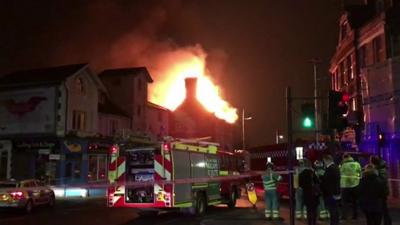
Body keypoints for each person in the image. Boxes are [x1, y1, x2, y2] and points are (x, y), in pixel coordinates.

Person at [370, 156, 392, 225]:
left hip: (382, 192)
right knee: (382, 209)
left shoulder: (381, 170)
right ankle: (386, 222)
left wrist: (374, 177)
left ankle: (387, 222)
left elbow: (382, 181)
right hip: (381, 192)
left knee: (382, 209)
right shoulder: (379, 168)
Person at [339, 153, 361, 220]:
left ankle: (344, 216)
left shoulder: (343, 165)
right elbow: (360, 172)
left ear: (344, 158)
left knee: (344, 202)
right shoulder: (357, 164)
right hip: (355, 184)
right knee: (355, 201)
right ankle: (355, 215)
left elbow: (339, 172)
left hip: (345, 185)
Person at [320, 154, 341, 225]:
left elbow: (328, 182)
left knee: (333, 209)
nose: (324, 163)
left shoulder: (330, 169)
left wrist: (322, 179)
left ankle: (334, 223)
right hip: (336, 191)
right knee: (335, 209)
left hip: (331, 193)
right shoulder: (336, 167)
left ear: (327, 160)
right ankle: (335, 222)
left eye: (324, 161)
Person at [299, 159, 320, 225]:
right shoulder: (312, 172)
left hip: (306, 193)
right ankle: (314, 222)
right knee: (314, 209)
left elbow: (300, 184)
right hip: (314, 193)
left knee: (308, 209)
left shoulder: (301, 174)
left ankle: (309, 222)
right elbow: (317, 181)